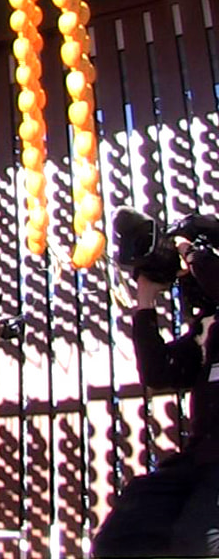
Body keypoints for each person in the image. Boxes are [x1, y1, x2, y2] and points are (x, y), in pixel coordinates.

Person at [93, 229, 219, 557]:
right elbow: (158, 373)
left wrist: (191, 250)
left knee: (199, 543)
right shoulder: (208, 333)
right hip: (200, 462)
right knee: (117, 540)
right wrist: (145, 298)